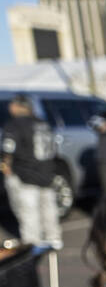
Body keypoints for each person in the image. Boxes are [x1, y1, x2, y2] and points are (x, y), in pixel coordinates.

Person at [1, 95, 62, 250]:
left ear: (16, 107)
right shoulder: (42, 123)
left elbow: (8, 149)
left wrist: (5, 167)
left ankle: (32, 243)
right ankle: (53, 237)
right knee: (49, 208)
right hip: (46, 172)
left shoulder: (13, 125)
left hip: (25, 174)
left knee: (28, 210)